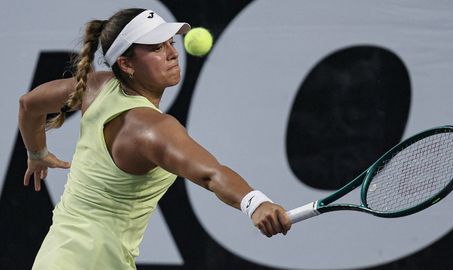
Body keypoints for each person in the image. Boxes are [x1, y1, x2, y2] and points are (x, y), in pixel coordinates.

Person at [18, 8, 291, 269]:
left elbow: (29, 105)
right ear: (126, 64)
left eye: (171, 43)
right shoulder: (151, 128)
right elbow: (211, 174)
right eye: (157, 48)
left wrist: (37, 153)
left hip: (55, 258)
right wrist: (254, 203)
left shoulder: (96, 87)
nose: (173, 54)